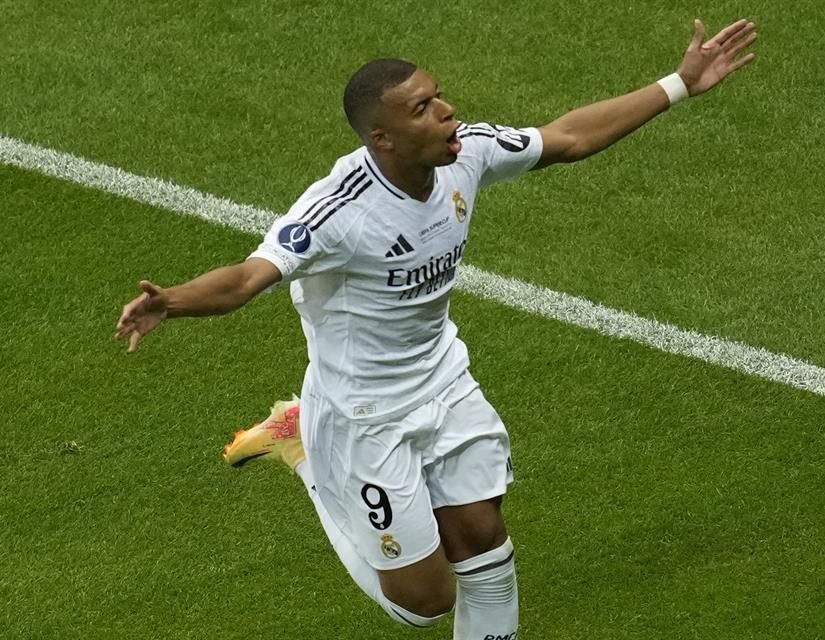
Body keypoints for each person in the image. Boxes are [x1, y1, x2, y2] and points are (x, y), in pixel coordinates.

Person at [115, 18, 756, 638]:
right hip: (364, 415)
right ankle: (301, 447)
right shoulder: (339, 210)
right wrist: (173, 301)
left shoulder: (465, 153)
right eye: (422, 108)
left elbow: (566, 138)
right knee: (424, 604)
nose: (446, 111)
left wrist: (677, 84)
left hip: (443, 382)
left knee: (484, 541)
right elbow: (248, 277)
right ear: (382, 138)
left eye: (438, 95)